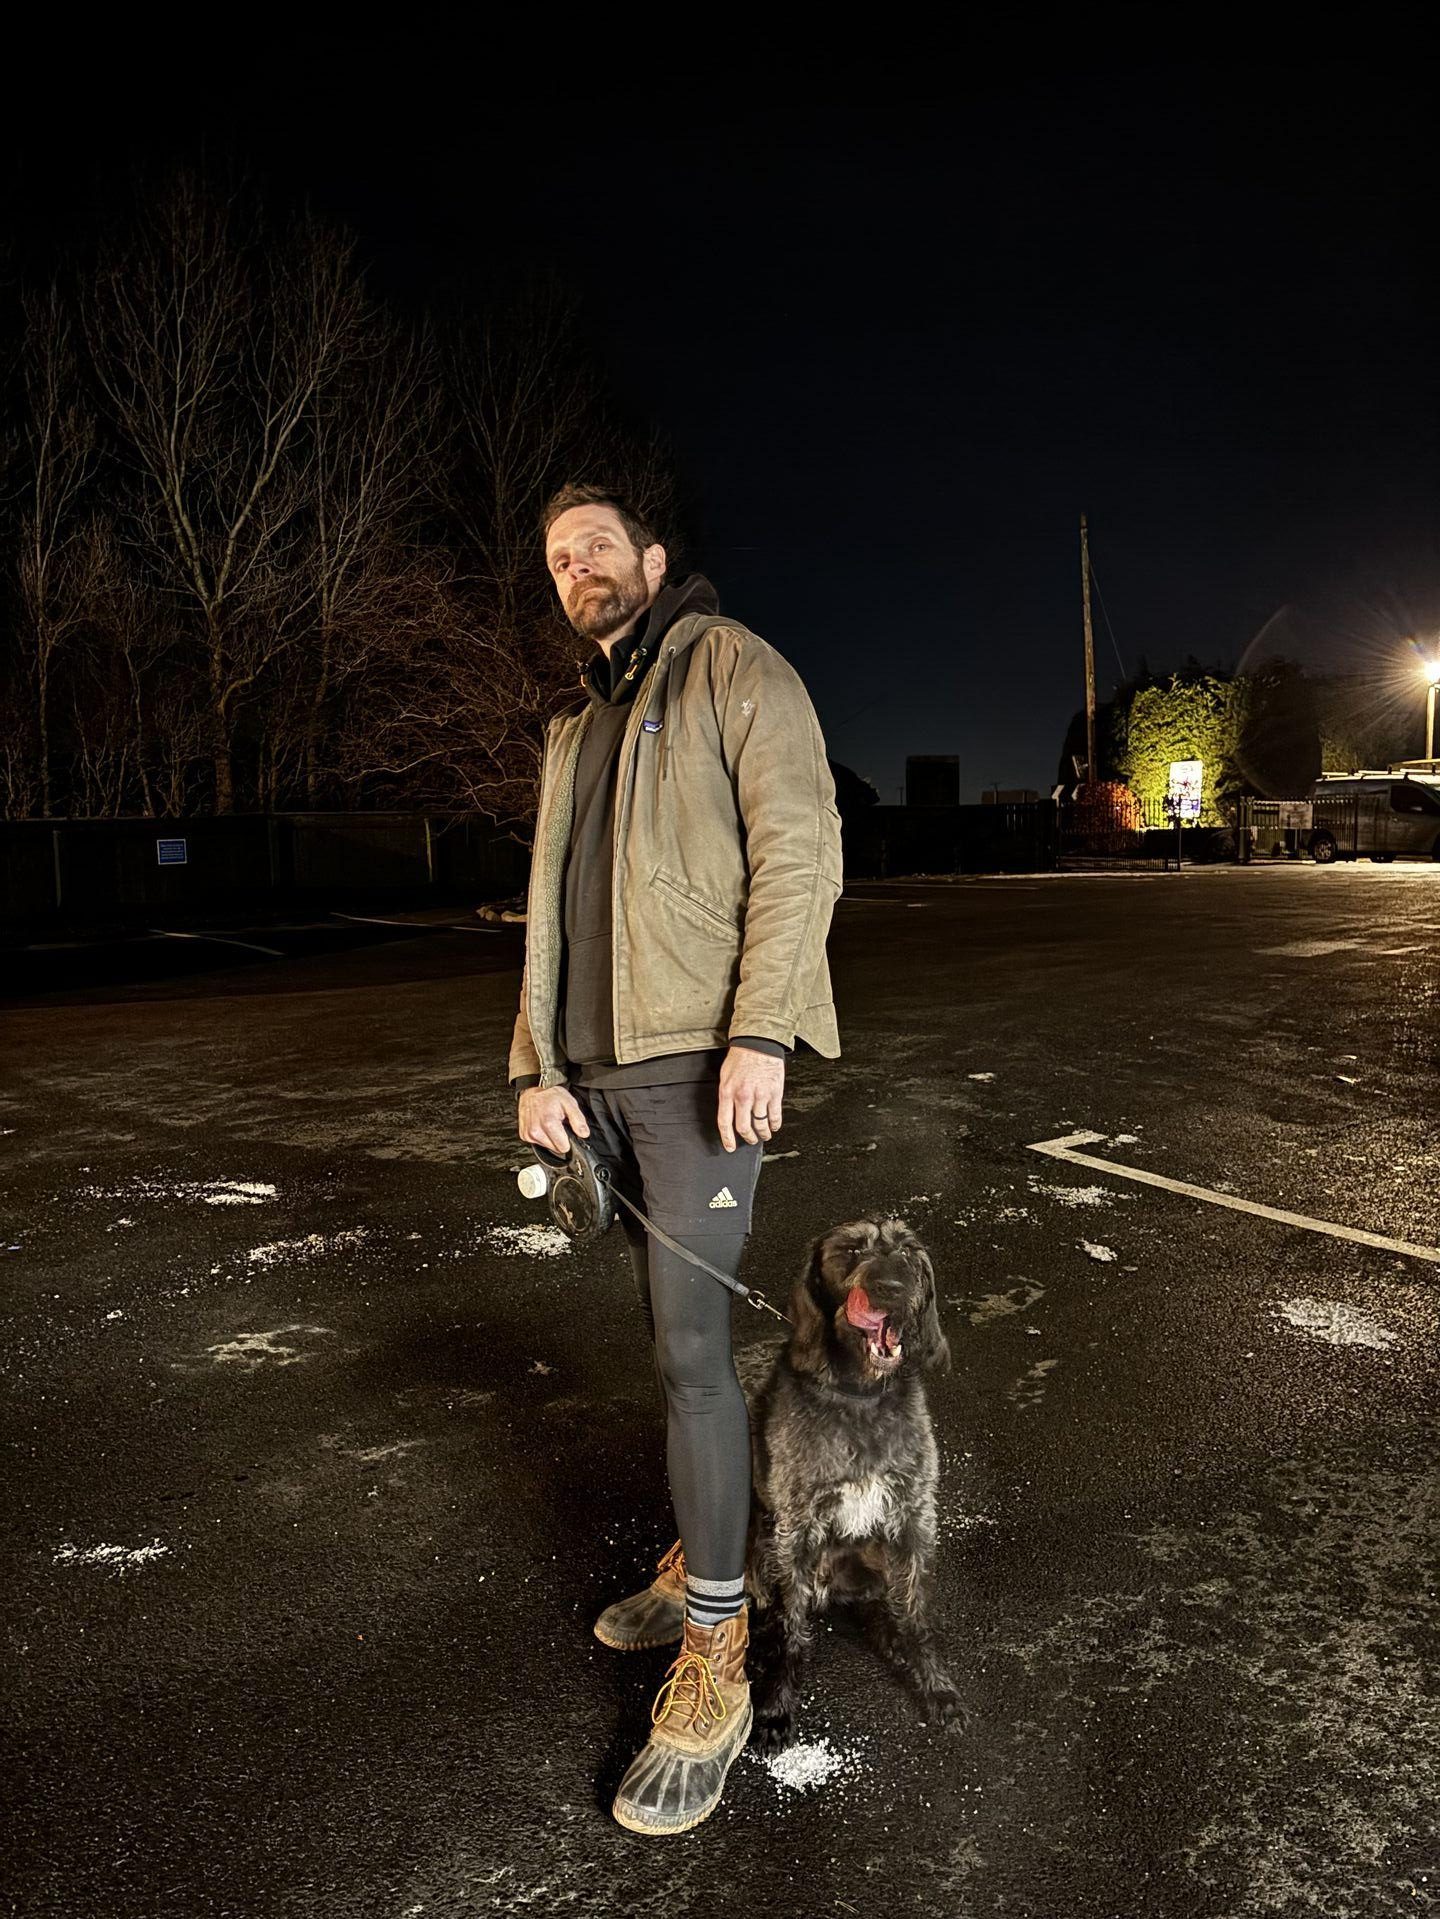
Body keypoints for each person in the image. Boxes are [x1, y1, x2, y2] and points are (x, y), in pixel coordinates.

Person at [509, 482, 843, 1835]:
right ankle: (709, 1553)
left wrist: (761, 1030)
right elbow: (543, 912)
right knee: (670, 1352)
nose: (577, 566)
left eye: (597, 545)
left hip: (699, 1066)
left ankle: (719, 1643)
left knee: (695, 1353)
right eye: (555, 558)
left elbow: (800, 848)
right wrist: (531, 1069)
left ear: (653, 559)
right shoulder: (575, 723)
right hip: (593, 1073)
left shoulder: (731, 667)